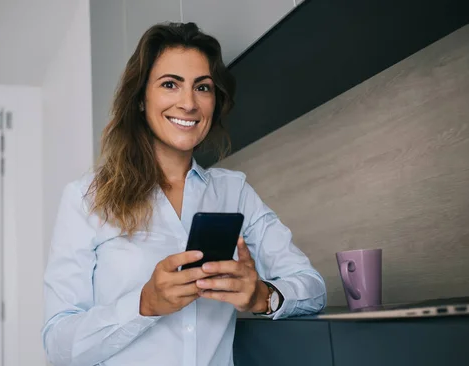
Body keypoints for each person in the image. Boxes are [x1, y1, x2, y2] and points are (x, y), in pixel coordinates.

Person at [42, 22, 327, 366]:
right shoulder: (86, 199)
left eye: (202, 87)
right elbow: (58, 345)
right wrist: (143, 304)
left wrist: (262, 296)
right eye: (170, 84)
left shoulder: (234, 192)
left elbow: (313, 287)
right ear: (140, 100)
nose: (189, 103)